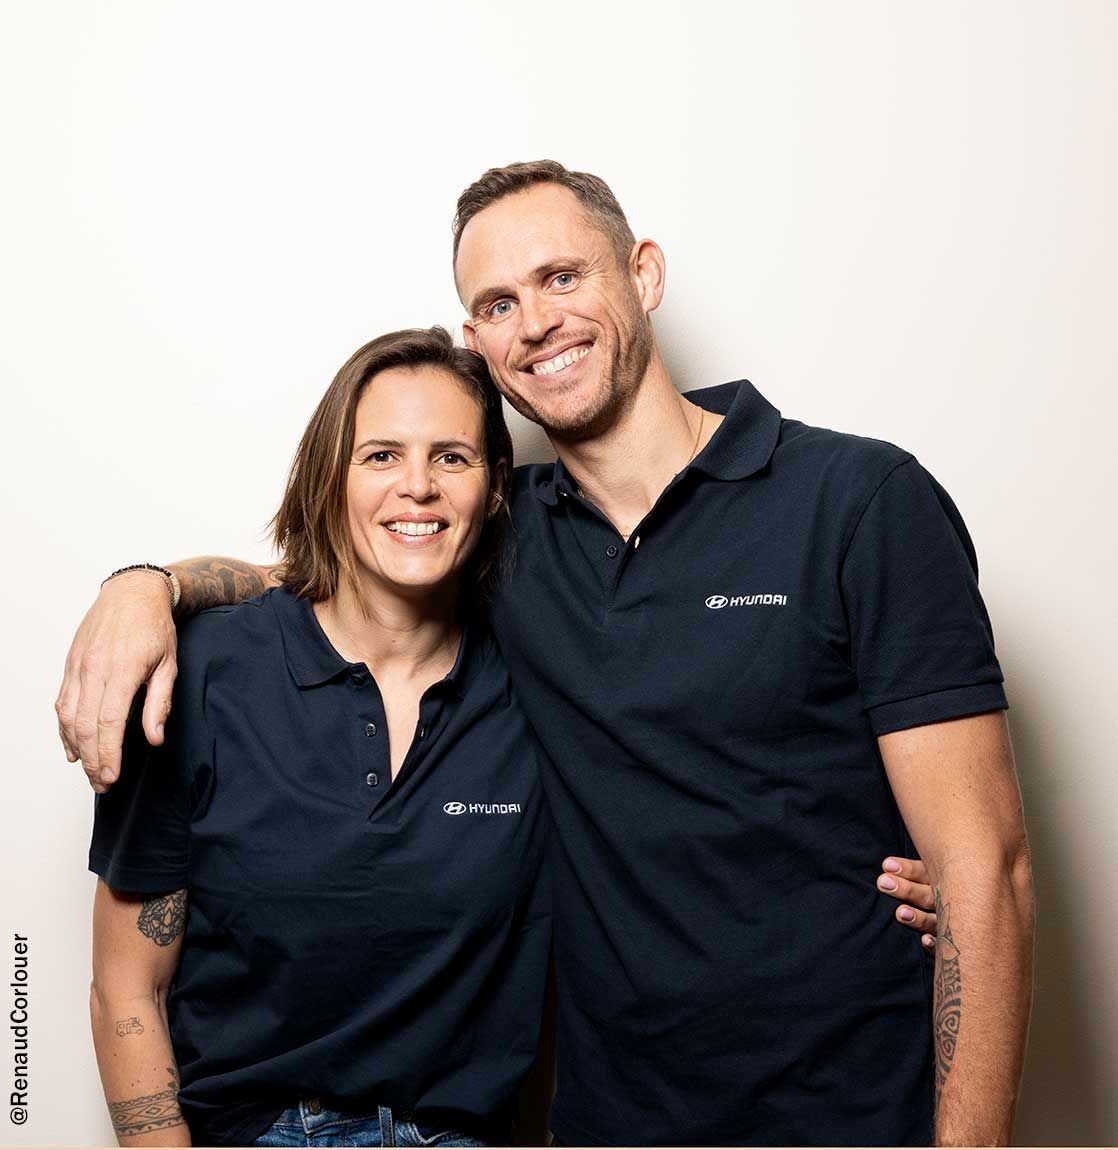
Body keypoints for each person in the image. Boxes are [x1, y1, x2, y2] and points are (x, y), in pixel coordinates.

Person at [59, 162, 1035, 1146]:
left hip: (850, 1112)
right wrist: (147, 586)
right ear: (480, 344)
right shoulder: (503, 537)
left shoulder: (856, 502)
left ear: (642, 274)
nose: (534, 320)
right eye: (496, 301)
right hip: (612, 1120)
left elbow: (981, 870)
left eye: (563, 277)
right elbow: (332, 570)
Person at [86, 328, 551, 1148]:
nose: (417, 488)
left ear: (495, 488)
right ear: (329, 477)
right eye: (380, 456)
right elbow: (128, 990)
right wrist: (142, 582)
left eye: (452, 457)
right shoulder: (205, 673)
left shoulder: (540, 681)